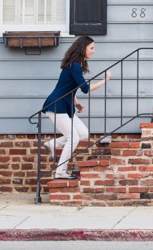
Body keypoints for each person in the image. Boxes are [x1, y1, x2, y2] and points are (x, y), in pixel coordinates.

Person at [42, 35, 111, 179]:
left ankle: (52, 144)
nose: (93, 51)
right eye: (91, 48)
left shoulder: (76, 65)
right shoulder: (74, 65)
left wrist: (76, 102)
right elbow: (85, 88)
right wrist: (104, 81)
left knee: (83, 134)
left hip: (66, 105)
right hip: (57, 105)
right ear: (83, 48)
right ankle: (60, 172)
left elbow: (69, 87)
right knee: (73, 138)